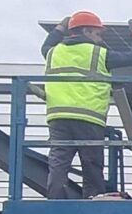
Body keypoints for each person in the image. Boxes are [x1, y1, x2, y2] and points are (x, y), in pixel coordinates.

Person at [38, 11, 118, 199]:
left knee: (58, 162)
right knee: (92, 163)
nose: (100, 39)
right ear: (86, 31)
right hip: (89, 117)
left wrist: (60, 27)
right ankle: (93, 199)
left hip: (58, 118)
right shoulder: (100, 54)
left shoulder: (53, 52)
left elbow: (46, 45)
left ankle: (55, 199)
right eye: (97, 33)